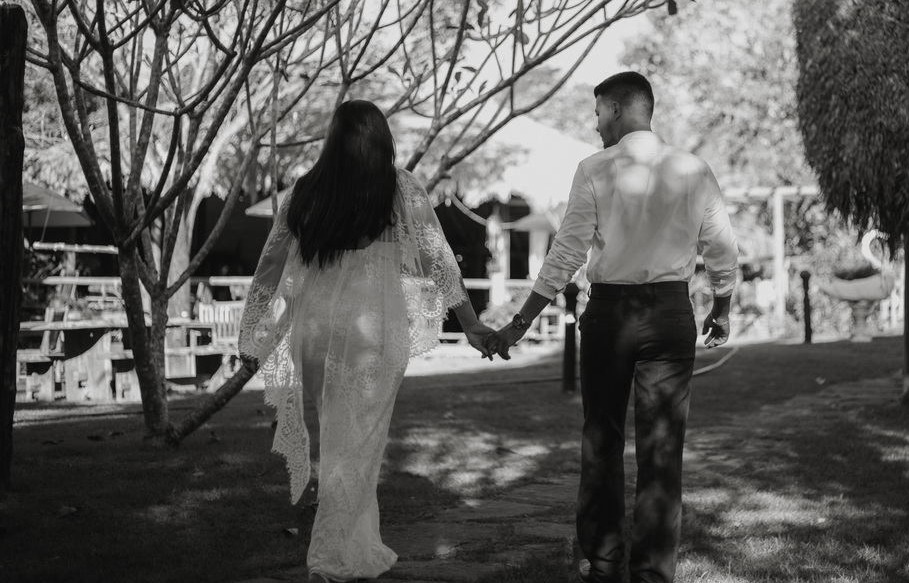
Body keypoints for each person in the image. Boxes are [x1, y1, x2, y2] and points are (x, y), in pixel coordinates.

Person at [490, 71, 739, 583]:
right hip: (670, 314)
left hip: (611, 316)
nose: (596, 123)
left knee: (601, 440)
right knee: (662, 448)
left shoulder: (595, 168)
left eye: (599, 111)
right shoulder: (695, 169)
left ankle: (604, 565)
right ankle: (652, 574)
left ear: (619, 109)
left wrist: (521, 321)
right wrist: (722, 308)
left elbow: (567, 252)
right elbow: (721, 248)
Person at [239, 100, 500, 583]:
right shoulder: (398, 186)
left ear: (332, 141)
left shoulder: (305, 191)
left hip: (314, 331)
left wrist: (252, 333)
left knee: (342, 440)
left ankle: (358, 547)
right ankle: (327, 558)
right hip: (370, 327)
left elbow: (269, 266)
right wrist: (470, 323)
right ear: (383, 141)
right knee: (355, 444)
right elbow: (438, 257)